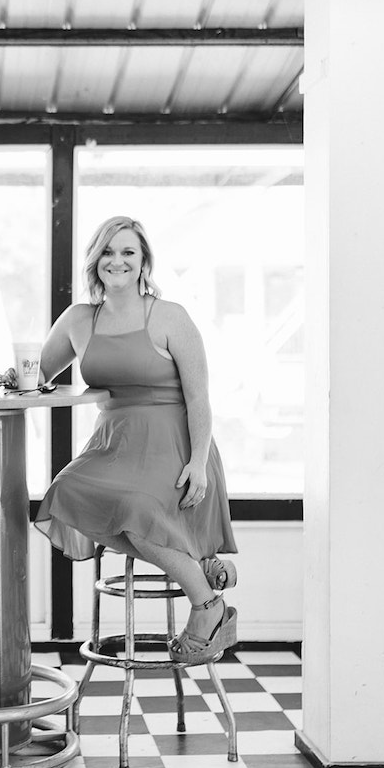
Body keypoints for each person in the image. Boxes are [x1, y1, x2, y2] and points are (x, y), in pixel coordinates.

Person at [34, 216, 238, 665]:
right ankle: (196, 571)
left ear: (144, 260)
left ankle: (207, 609)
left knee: (134, 510)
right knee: (64, 494)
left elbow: (199, 397)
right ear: (95, 260)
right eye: (107, 251)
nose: (117, 260)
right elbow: (37, 375)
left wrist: (199, 461)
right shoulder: (78, 320)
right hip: (114, 445)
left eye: (128, 251)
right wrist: (2, 378)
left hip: (175, 444)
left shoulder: (169, 316)